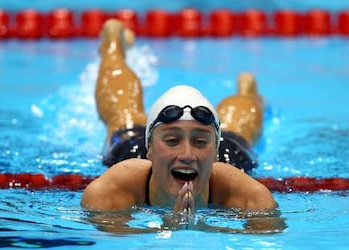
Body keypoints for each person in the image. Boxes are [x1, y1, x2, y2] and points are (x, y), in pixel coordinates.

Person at [81, 19, 279, 223]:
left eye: (200, 142)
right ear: (149, 148)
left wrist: (195, 228)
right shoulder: (113, 189)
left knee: (237, 129)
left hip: (221, 157)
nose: (187, 155)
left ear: (214, 153)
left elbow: (270, 235)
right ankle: (112, 45)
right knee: (123, 115)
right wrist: (168, 229)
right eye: (172, 141)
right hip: (134, 151)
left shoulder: (246, 195)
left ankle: (247, 92)